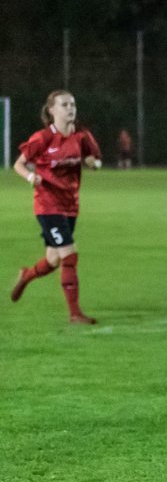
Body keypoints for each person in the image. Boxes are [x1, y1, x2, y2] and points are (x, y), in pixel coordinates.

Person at [10, 90, 103, 324]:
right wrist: (32, 178)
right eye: (64, 105)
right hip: (47, 205)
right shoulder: (42, 138)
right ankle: (75, 314)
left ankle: (26, 276)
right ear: (52, 110)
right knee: (69, 255)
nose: (70, 108)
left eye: (72, 104)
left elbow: (95, 159)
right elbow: (19, 165)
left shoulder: (82, 136)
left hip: (70, 205)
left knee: (53, 260)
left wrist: (94, 164)